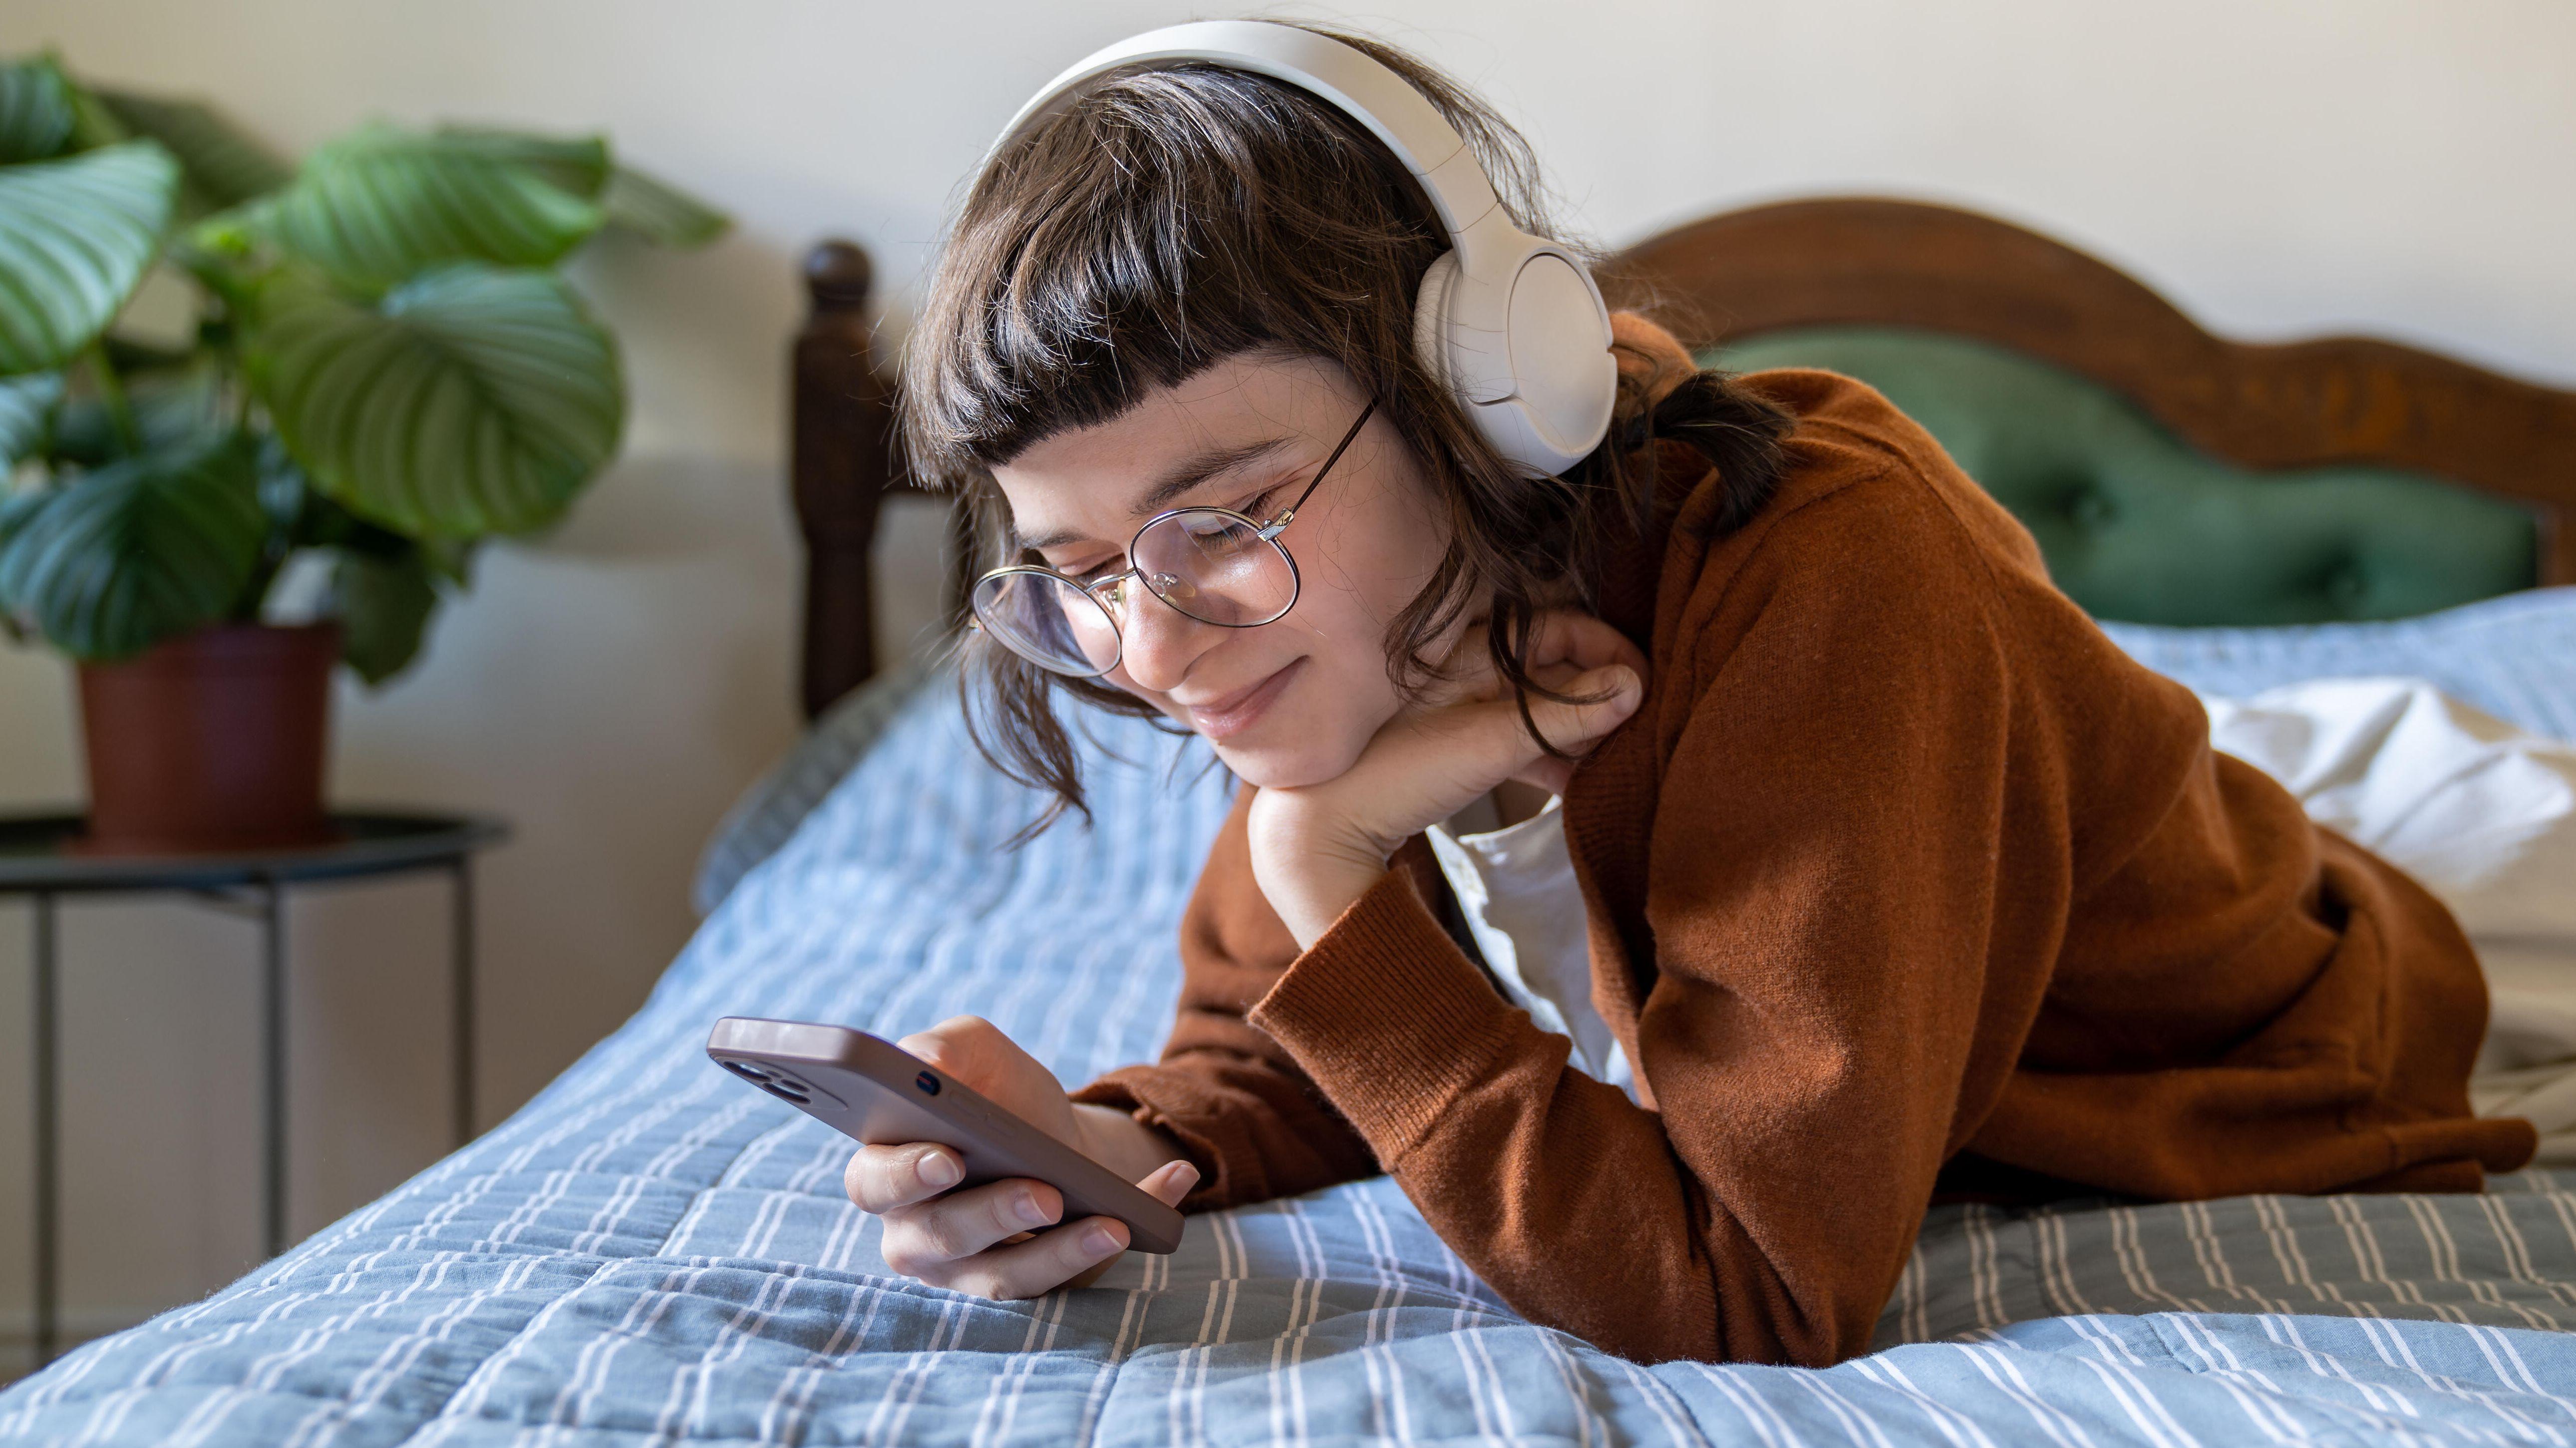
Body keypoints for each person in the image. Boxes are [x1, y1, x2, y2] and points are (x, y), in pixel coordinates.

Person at [842, 20, 2535, 1367]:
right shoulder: (1315, 626)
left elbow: (1752, 1290)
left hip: (2349, 956)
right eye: (1076, 566)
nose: (1147, 643)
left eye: (1225, 510)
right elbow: (1306, 1043)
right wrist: (1103, 1138)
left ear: (1490, 388)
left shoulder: (1834, 564)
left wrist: (1322, 862)